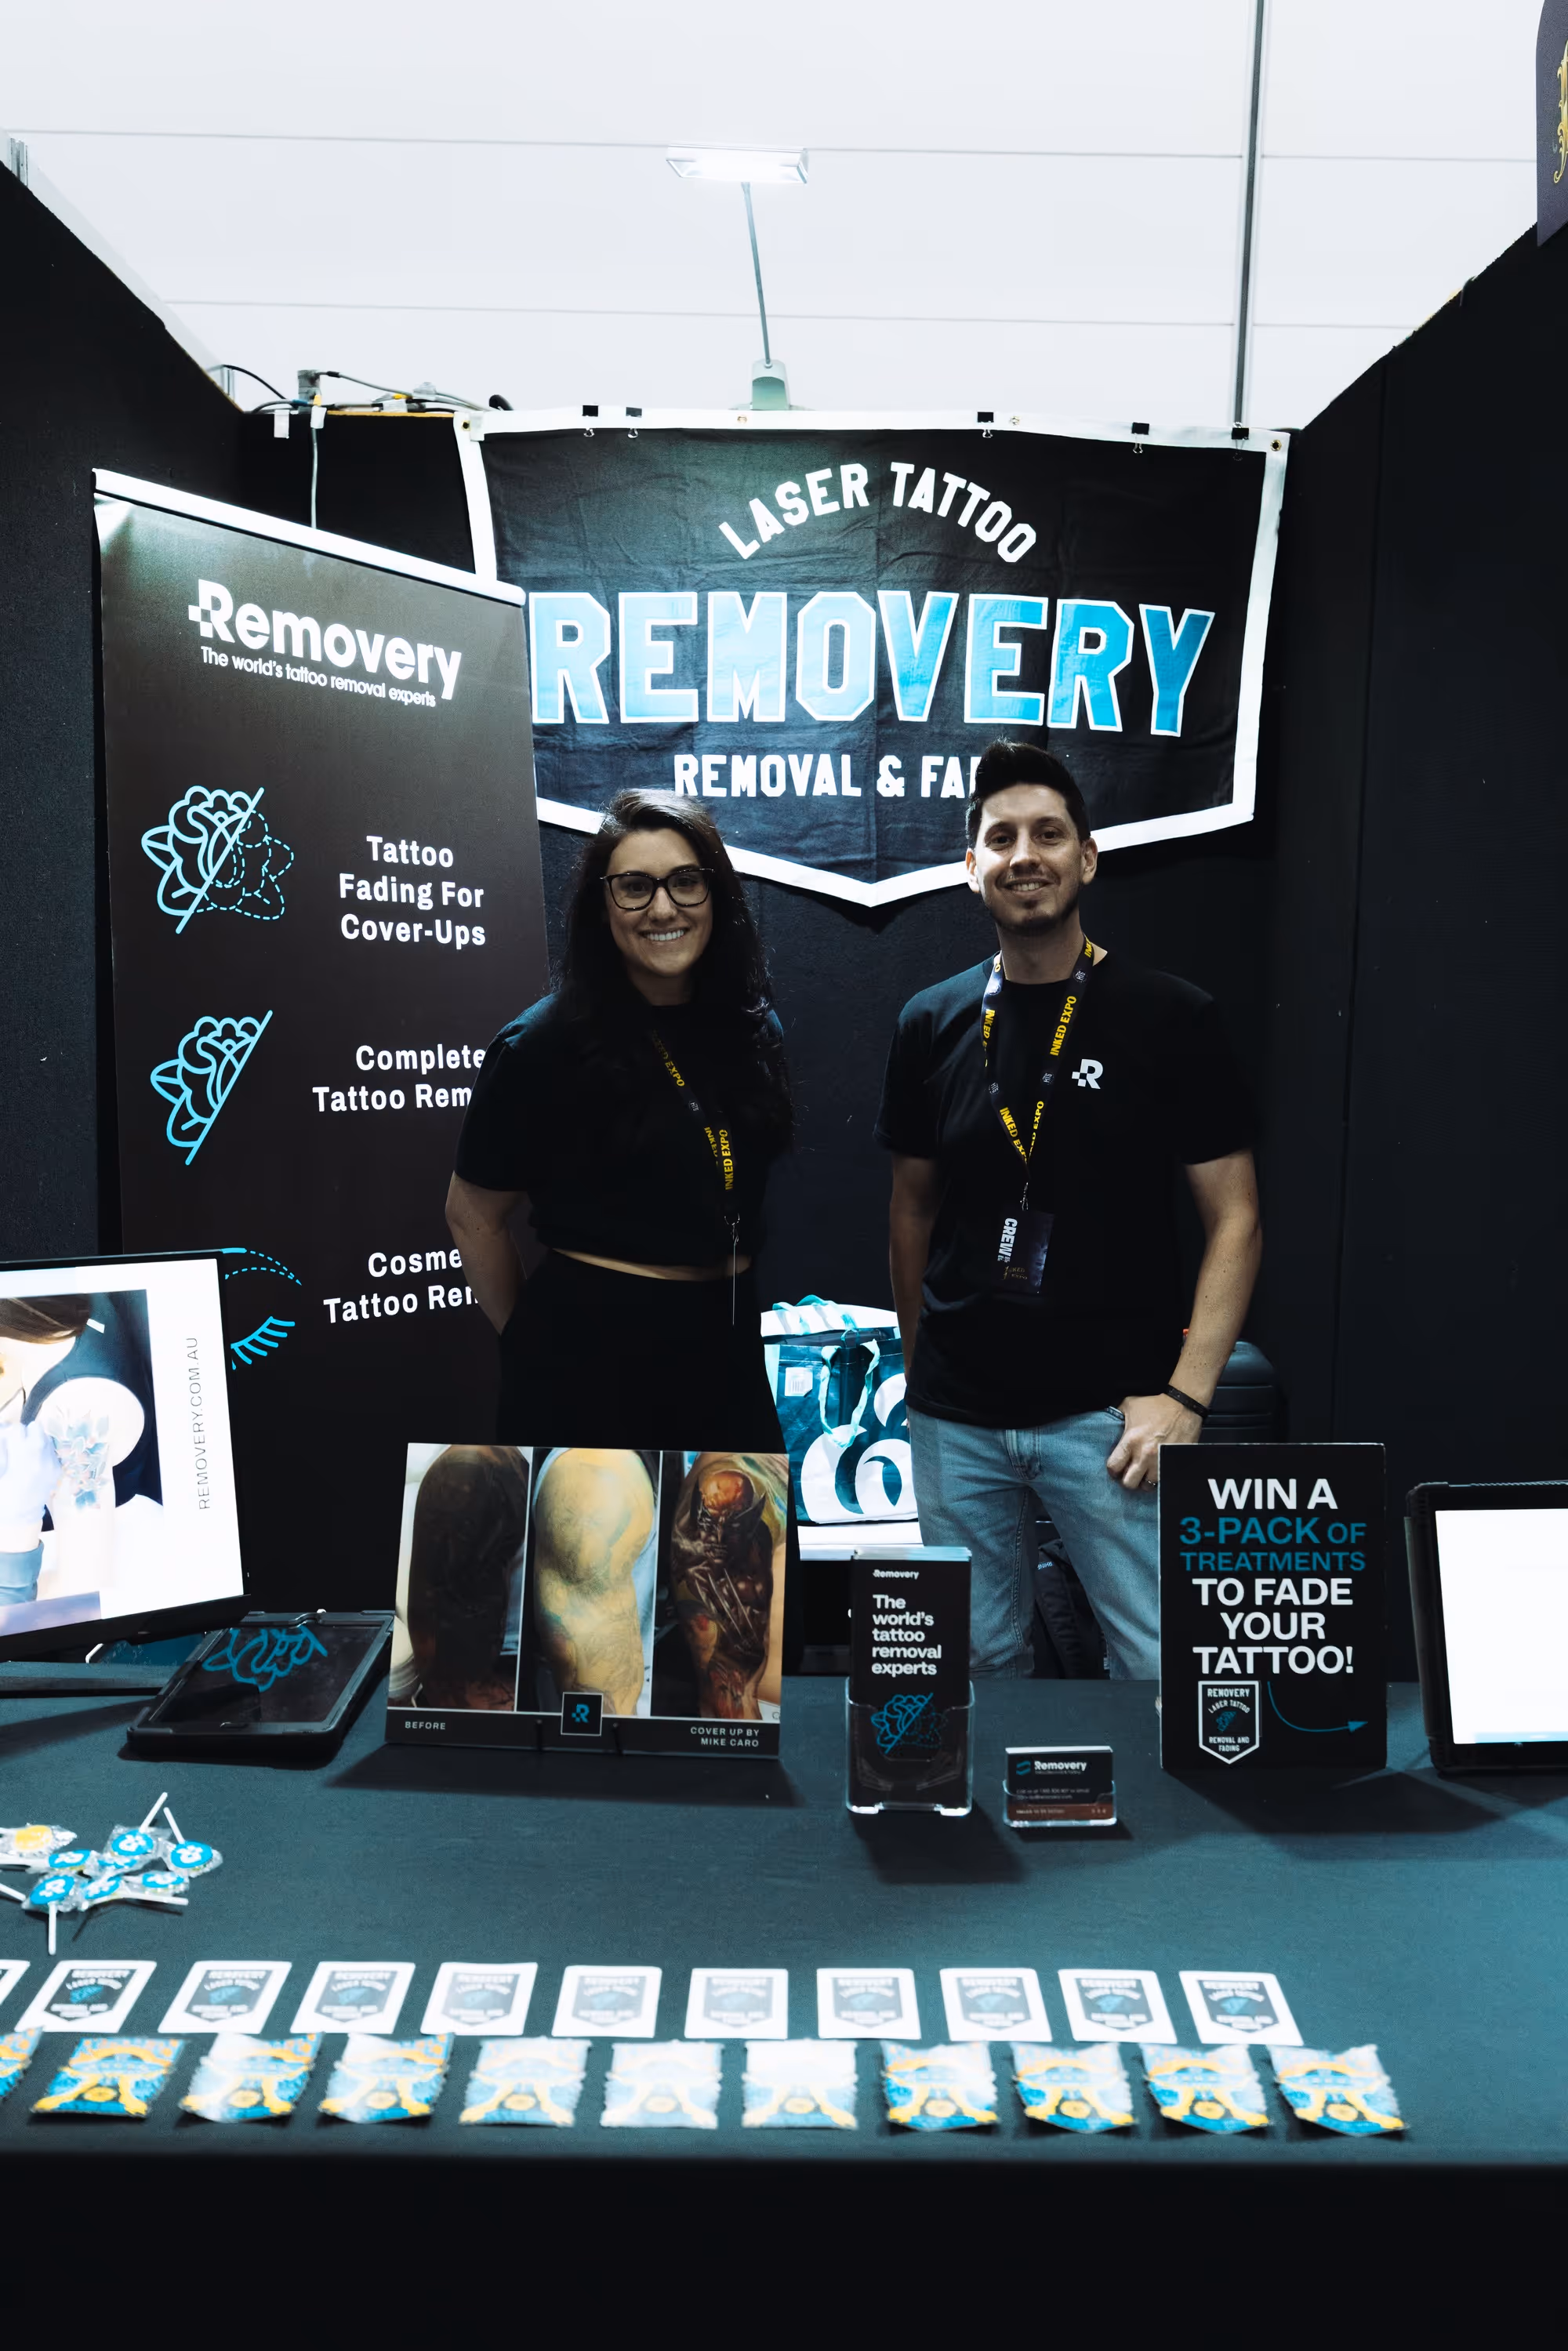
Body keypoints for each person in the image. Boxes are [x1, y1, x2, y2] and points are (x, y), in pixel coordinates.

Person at [876, 738, 1261, 1681]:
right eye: (999, 837)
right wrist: (924, 1369)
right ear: (971, 868)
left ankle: (1176, 1835)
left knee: (1160, 1664)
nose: (1024, 854)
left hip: (1113, 1419)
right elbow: (909, 1211)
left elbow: (1235, 1219)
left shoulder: (1170, 1016)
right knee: (973, 1663)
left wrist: (1184, 1396)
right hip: (955, 1417)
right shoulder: (931, 1020)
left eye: (1048, 833)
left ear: (1086, 857)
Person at [445, 789, 793, 1458]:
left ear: (716, 894)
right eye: (635, 886)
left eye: (685, 882)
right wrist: (530, 1343)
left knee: (739, 1562)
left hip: (727, 1358)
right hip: (585, 1370)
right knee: (590, 1564)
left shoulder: (752, 1031)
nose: (663, 907)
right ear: (602, 906)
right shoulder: (539, 1045)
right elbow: (472, 1215)